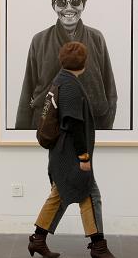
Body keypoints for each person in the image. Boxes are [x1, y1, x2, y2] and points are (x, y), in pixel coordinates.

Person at [28, 42, 116, 258]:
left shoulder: (61, 81)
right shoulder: (70, 87)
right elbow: (75, 125)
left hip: (61, 152)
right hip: (70, 154)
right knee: (90, 193)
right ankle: (98, 246)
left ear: (62, 61)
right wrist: (84, 157)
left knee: (60, 195)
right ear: (84, 63)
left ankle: (38, 240)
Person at [15, 0, 117, 130]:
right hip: (48, 125)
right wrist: (21, 132)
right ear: (54, 6)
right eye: (61, 3)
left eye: (75, 2)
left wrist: (105, 126)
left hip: (91, 124)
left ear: (83, 5)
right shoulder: (39, 40)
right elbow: (27, 90)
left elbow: (110, 90)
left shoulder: (97, 38)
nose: (69, 8)